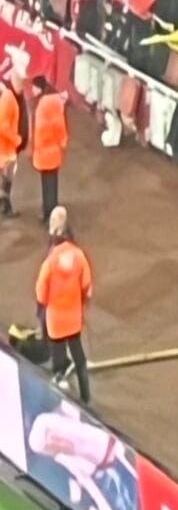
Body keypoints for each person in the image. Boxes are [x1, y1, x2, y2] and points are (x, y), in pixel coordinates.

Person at [33, 206, 90, 404]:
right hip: (73, 315)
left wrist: (42, 305)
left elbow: (41, 288)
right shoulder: (79, 255)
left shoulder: (50, 262)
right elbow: (86, 283)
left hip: (55, 317)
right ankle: (86, 395)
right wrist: (82, 299)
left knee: (57, 351)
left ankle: (59, 378)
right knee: (78, 354)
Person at [30, 79, 67, 221]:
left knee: (48, 183)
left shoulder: (46, 103)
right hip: (49, 151)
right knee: (49, 182)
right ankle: (48, 210)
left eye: (34, 88)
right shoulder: (50, 102)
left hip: (46, 150)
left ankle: (50, 212)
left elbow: (48, 128)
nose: (32, 91)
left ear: (39, 88)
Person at [0, 76, 22, 218]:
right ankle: (6, 208)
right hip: (6, 149)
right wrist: (16, 140)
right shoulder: (9, 100)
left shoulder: (6, 98)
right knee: (7, 180)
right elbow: (3, 126)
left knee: (5, 180)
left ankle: (6, 208)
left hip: (5, 148)